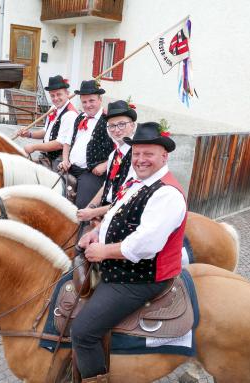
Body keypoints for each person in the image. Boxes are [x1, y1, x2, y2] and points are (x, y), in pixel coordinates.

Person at [72, 122, 186, 382]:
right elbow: (114, 215)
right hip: (121, 265)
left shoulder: (166, 193)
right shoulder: (138, 182)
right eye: (136, 154)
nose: (141, 159)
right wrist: (96, 233)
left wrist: (103, 251)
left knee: (83, 331)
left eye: (149, 154)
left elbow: (145, 245)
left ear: (164, 156)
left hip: (140, 277)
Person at [76, 100, 137, 223]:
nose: (116, 130)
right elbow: (106, 186)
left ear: (132, 125)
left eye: (122, 124)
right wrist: (90, 207)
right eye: (112, 125)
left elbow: (127, 200)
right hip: (107, 210)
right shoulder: (114, 155)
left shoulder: (136, 157)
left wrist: (93, 212)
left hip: (123, 216)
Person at [59, 80, 114, 208]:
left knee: (81, 206)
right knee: (52, 194)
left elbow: (120, 149)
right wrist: (65, 160)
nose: (88, 105)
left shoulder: (108, 121)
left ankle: (84, 227)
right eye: (84, 102)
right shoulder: (80, 117)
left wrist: (105, 165)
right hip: (71, 167)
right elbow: (67, 143)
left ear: (100, 99)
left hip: (91, 172)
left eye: (91, 101)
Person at [14, 75, 78, 170]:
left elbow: (59, 143)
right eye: (52, 95)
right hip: (46, 157)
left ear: (67, 93)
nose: (55, 98)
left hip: (59, 160)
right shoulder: (54, 108)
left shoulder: (70, 114)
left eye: (59, 94)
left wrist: (34, 147)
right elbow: (46, 131)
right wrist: (29, 134)